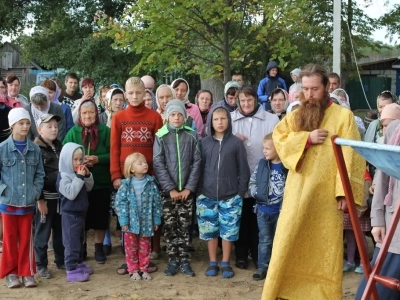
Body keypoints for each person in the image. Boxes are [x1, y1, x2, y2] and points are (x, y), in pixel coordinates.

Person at [261, 64, 365, 300]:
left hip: (327, 196)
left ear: (327, 87)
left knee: (323, 248)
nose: (309, 95)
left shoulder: (343, 117)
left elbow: (351, 155)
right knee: (288, 239)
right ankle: (285, 291)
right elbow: (279, 137)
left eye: (314, 89)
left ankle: (321, 294)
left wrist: (343, 192)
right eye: (305, 89)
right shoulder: (296, 115)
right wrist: (306, 139)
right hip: (298, 192)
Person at [110, 77, 163, 275]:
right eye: (130, 93)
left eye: (138, 93)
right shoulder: (119, 118)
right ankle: (129, 260)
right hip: (126, 180)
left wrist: (157, 175)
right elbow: (115, 148)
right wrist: (116, 175)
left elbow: (159, 150)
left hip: (148, 178)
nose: (134, 96)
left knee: (148, 217)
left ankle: (146, 258)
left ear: (145, 94)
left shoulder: (155, 117)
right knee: (127, 220)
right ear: (125, 93)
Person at [197, 105, 250, 278]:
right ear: (211, 121)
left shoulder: (236, 143)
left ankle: (226, 262)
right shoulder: (203, 143)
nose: (220, 122)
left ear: (229, 120)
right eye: (216, 119)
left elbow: (244, 171)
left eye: (223, 119)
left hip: (231, 197)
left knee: (229, 231)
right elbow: (198, 169)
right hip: (207, 196)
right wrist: (199, 193)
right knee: (210, 230)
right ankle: (213, 261)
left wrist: (239, 194)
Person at [231, 86, 279, 270]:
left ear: (255, 100)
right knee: (241, 217)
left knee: (260, 218)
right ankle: (241, 255)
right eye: (242, 101)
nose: (246, 104)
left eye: (249, 100)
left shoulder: (271, 119)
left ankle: (260, 255)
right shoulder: (231, 119)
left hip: (264, 175)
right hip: (240, 175)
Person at [153, 99, 201, 277]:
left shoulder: (192, 136)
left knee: (184, 226)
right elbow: (158, 164)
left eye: (179, 114)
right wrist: (171, 189)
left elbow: (197, 163)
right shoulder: (161, 136)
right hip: (168, 193)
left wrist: (188, 188)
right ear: (167, 117)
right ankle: (173, 259)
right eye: (172, 114)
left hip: (187, 192)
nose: (176, 117)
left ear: (185, 116)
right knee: (170, 226)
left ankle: (184, 259)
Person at [355, 120, 400, 299]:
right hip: (394, 231)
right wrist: (378, 219)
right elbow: (382, 176)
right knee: (375, 294)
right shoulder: (396, 129)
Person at [0, 108, 45, 288]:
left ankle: (27, 273)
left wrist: (35, 192)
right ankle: (11, 273)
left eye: (27, 123)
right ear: (12, 125)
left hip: (28, 203)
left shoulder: (35, 149)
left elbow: (40, 174)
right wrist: (4, 191)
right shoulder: (2, 149)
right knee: (10, 239)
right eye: (21, 123)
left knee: (27, 238)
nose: (25, 126)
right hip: (8, 203)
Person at [63, 99, 111, 264]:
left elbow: (115, 155)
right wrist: (78, 162)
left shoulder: (106, 131)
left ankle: (98, 248)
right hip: (79, 183)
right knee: (81, 217)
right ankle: (81, 248)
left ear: (96, 114)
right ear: (80, 115)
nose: (88, 116)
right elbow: (65, 154)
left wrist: (98, 159)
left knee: (100, 216)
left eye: (91, 112)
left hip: (101, 182)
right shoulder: (73, 132)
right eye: (84, 113)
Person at [115, 153, 162, 281]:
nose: (144, 165)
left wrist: (156, 219)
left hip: (146, 222)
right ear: (131, 168)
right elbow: (120, 203)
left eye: (145, 162)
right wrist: (123, 220)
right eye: (140, 163)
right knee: (131, 248)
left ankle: (144, 269)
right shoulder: (126, 185)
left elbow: (157, 203)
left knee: (145, 247)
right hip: (131, 224)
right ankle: (133, 270)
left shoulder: (151, 183)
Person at [249, 133, 287, 281]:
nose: (264, 151)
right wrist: (255, 193)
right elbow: (253, 181)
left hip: (280, 211)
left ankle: (277, 267)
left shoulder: (285, 167)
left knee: (279, 240)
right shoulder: (262, 164)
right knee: (264, 240)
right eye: (263, 148)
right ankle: (262, 267)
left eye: (267, 148)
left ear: (278, 149)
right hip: (262, 211)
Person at [57, 142, 94, 282]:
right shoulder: (63, 176)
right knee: (71, 243)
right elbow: (71, 193)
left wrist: (87, 175)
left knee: (79, 241)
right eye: (75, 160)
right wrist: (79, 177)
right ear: (67, 159)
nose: (78, 162)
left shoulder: (78, 173)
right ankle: (71, 270)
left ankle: (78, 264)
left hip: (80, 213)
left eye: (80, 159)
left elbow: (89, 187)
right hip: (70, 214)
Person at [33, 114, 65, 279]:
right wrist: (40, 200)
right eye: (49, 126)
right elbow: (35, 176)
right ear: (39, 129)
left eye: (55, 126)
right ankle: (41, 265)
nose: (54, 129)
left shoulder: (60, 146)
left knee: (60, 231)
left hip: (60, 198)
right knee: (42, 233)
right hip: (45, 198)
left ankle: (61, 260)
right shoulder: (36, 149)